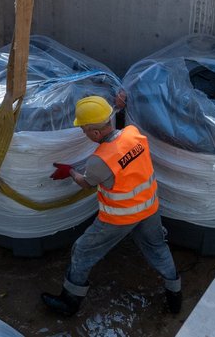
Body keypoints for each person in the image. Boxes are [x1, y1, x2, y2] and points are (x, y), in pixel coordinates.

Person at [41, 95, 182, 317]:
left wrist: (69, 171)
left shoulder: (99, 160)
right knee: (157, 247)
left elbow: (86, 183)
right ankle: (175, 296)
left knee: (82, 250)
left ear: (95, 133)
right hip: (149, 208)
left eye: (84, 130)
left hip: (119, 219)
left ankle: (69, 302)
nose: (83, 133)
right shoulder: (133, 134)